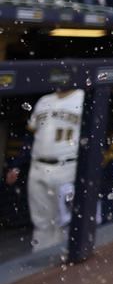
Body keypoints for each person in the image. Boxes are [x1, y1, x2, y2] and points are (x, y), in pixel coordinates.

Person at [4, 82, 84, 252]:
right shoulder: (43, 100)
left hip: (68, 166)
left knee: (66, 221)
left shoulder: (83, 97)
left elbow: (94, 134)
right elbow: (31, 137)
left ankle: (64, 266)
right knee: (41, 222)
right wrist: (17, 165)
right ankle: (41, 262)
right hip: (38, 166)